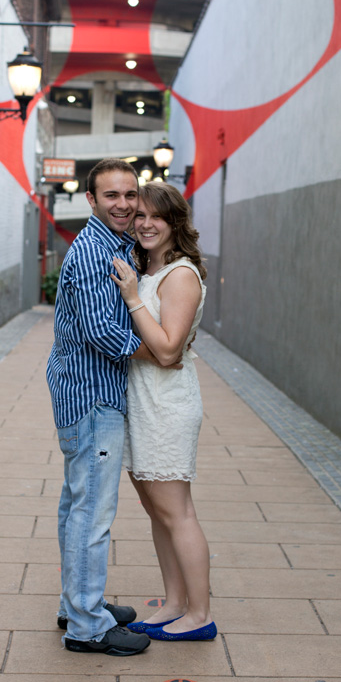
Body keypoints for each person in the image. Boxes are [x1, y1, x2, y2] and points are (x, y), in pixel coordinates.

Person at [46, 158, 173, 656]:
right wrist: (163, 351)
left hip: (85, 393)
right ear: (91, 200)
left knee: (76, 505)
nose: (122, 204)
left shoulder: (113, 245)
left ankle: (77, 603)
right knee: (92, 513)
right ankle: (87, 626)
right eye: (111, 196)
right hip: (94, 397)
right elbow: (103, 333)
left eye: (129, 195)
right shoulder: (93, 252)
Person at [110, 181, 217, 641]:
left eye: (157, 216)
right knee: (158, 512)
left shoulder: (180, 275)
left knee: (177, 513)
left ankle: (200, 615)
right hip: (143, 401)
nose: (146, 224)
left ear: (175, 222)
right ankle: (175, 603)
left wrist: (132, 299)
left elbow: (169, 350)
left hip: (167, 404)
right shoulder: (148, 267)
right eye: (140, 215)